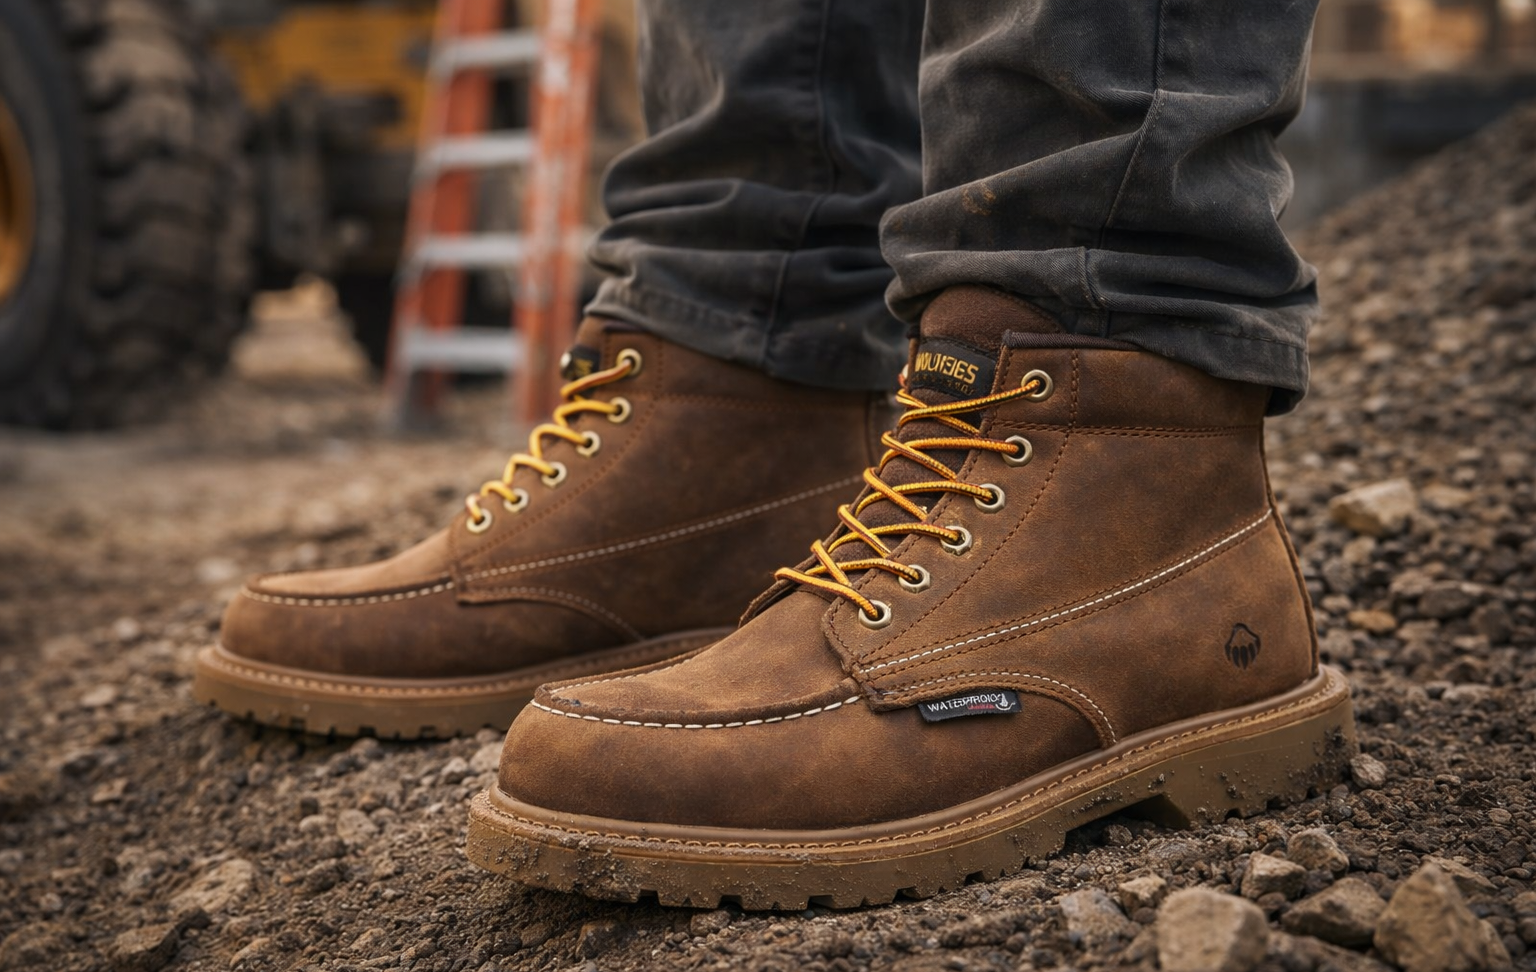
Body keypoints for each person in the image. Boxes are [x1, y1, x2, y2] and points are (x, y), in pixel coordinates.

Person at [197, 0, 1355, 908]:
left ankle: (1125, 402)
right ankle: (742, 363)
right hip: (750, 324)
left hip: (1114, 369)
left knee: (1082, 223)